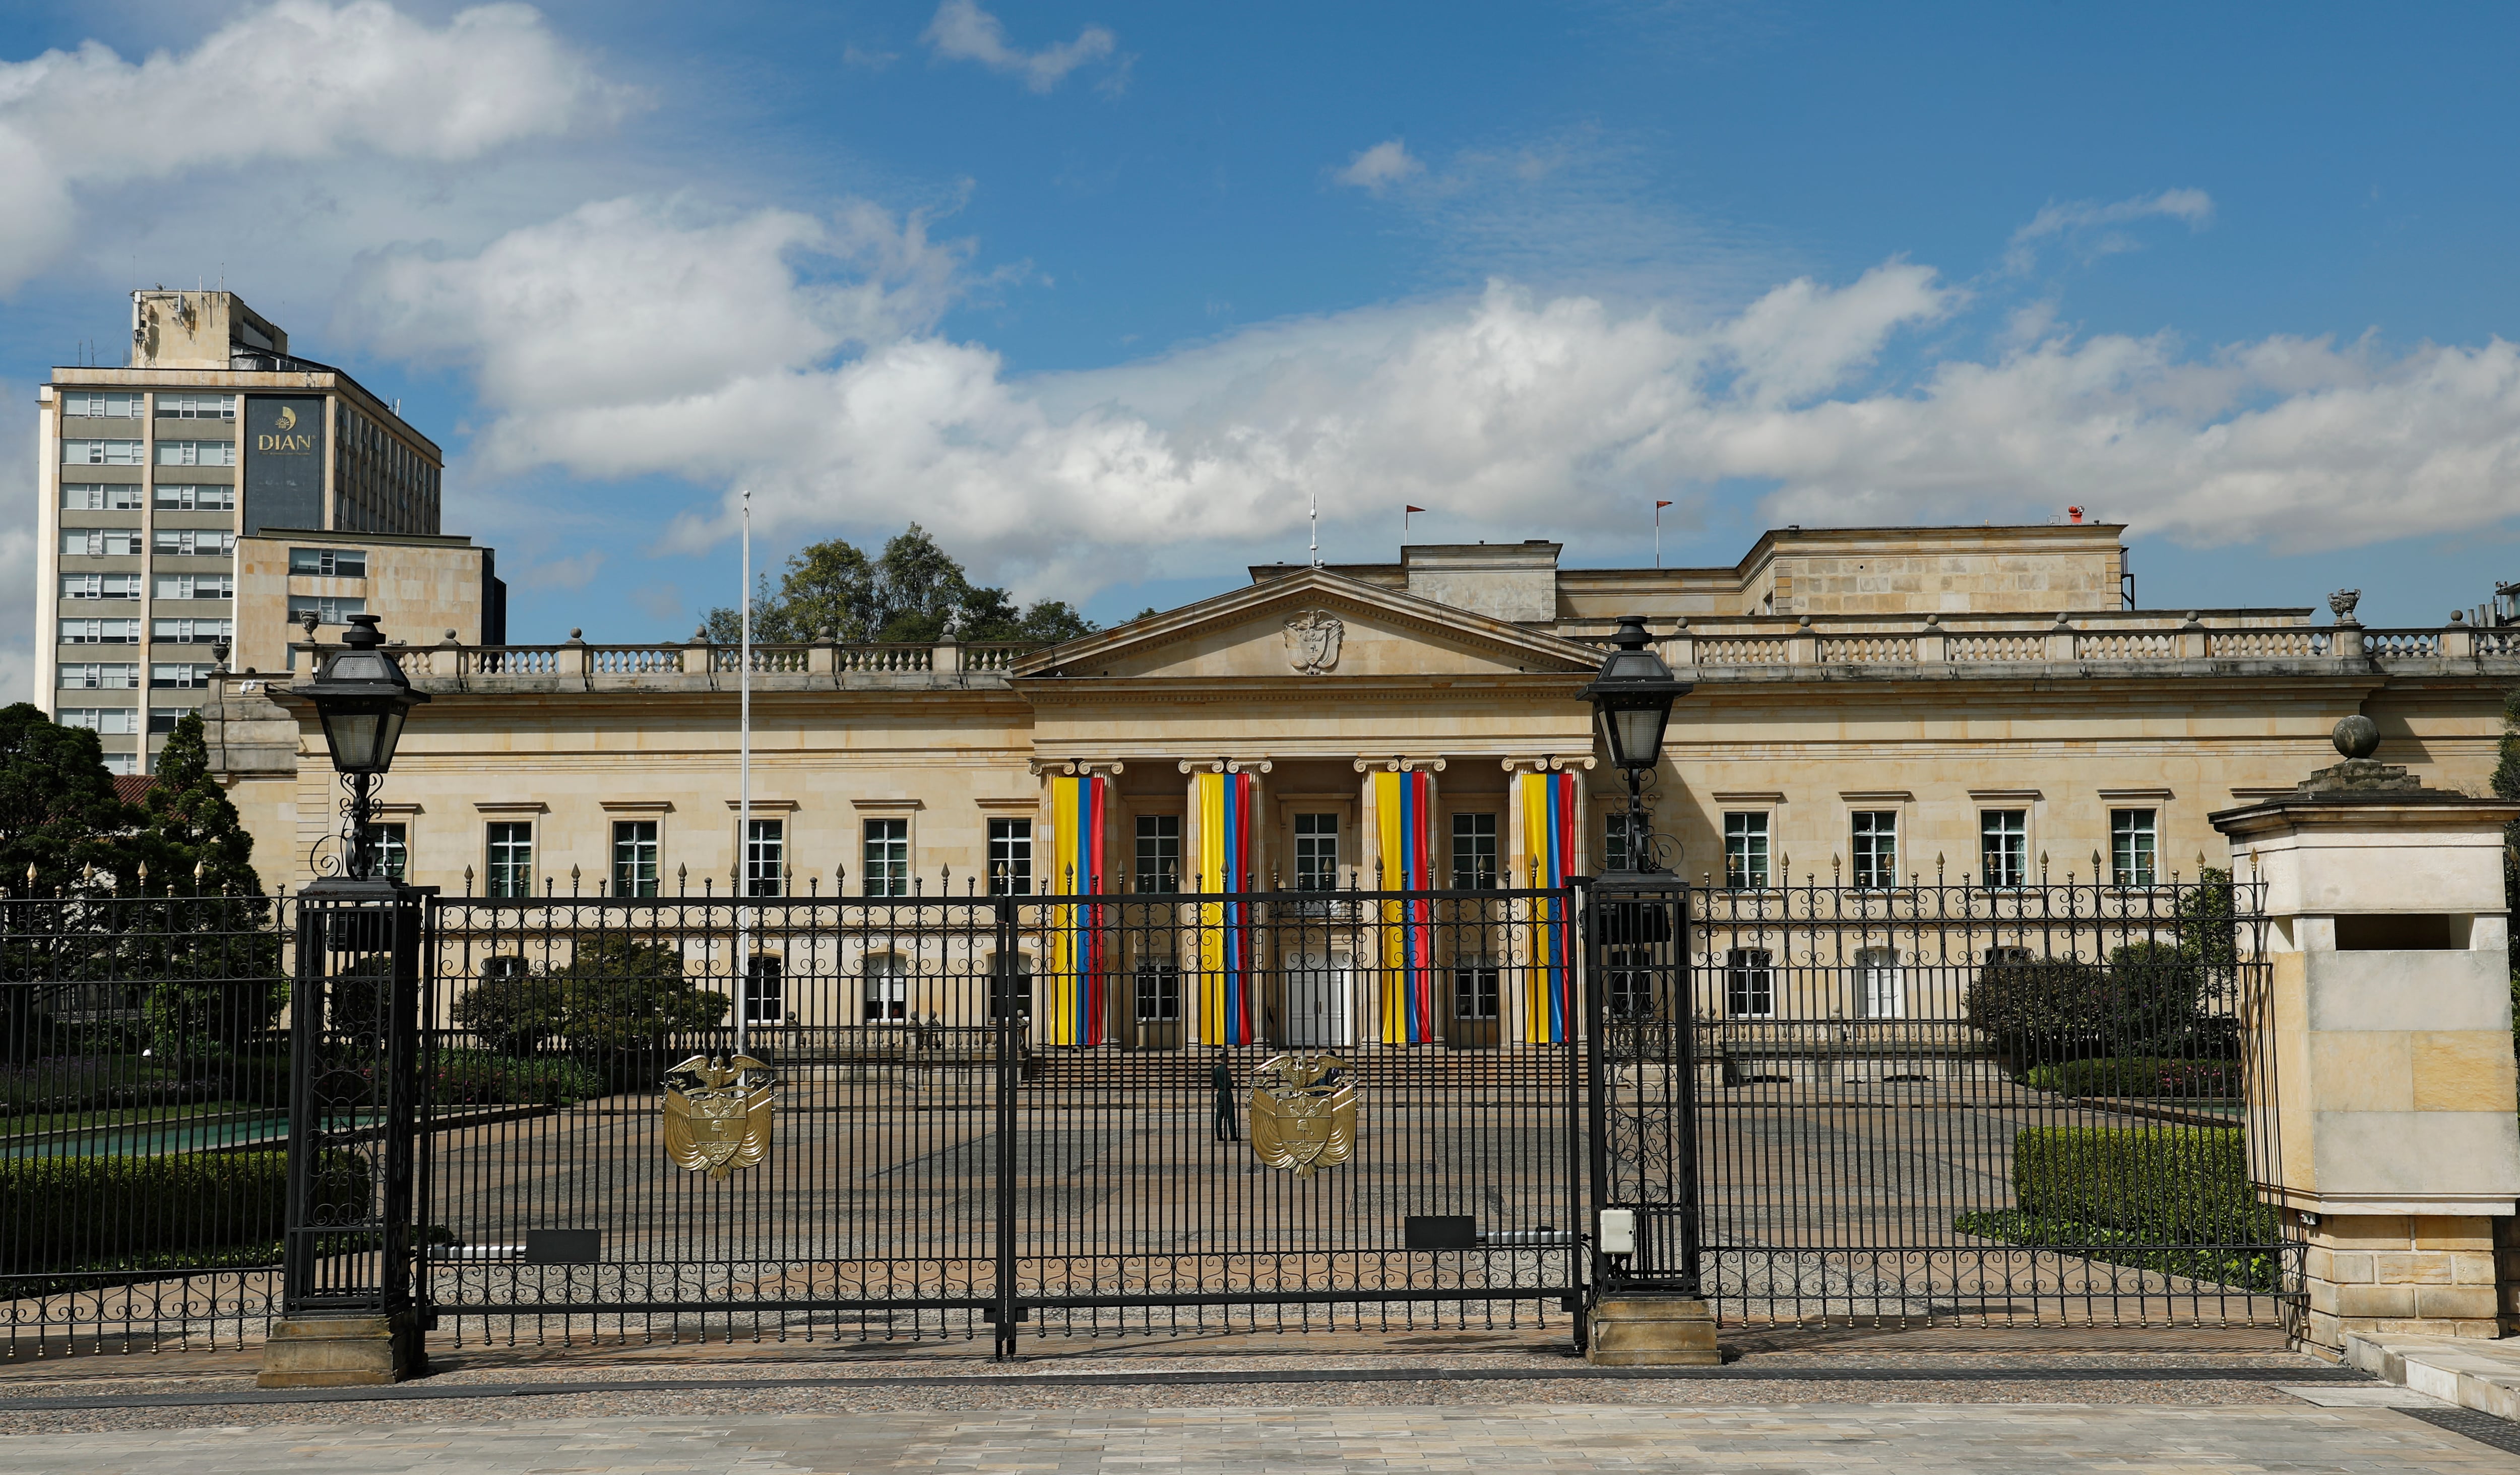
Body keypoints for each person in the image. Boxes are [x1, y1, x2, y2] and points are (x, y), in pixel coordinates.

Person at [1211, 1049, 1237, 1142]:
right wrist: (1232, 1084)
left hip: (1220, 1093)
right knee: (1230, 1115)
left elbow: (1213, 1083)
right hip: (1227, 1093)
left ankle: (1219, 1135)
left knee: (1219, 1115)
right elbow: (1229, 1083)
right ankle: (1233, 1136)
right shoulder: (1226, 1070)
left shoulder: (1216, 1069)